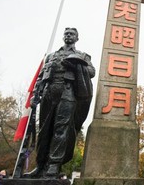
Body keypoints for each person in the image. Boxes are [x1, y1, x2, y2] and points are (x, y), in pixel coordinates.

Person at [25, 27, 95, 179]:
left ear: (77, 38)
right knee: (44, 129)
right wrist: (36, 94)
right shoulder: (52, 56)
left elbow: (91, 72)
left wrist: (77, 66)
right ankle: (40, 165)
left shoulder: (81, 55)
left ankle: (54, 166)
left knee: (61, 129)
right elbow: (41, 76)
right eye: (66, 34)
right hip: (49, 93)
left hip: (67, 92)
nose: (68, 36)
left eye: (72, 34)